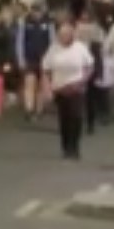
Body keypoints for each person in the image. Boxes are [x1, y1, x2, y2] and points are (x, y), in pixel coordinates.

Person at [42, 19, 94, 160]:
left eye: (66, 34)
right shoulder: (53, 49)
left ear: (72, 34)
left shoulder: (80, 47)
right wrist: (47, 87)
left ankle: (75, 147)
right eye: (61, 34)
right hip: (60, 87)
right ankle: (66, 147)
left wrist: (82, 81)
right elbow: (46, 69)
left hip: (76, 87)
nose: (63, 37)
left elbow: (89, 66)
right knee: (64, 119)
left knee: (76, 117)